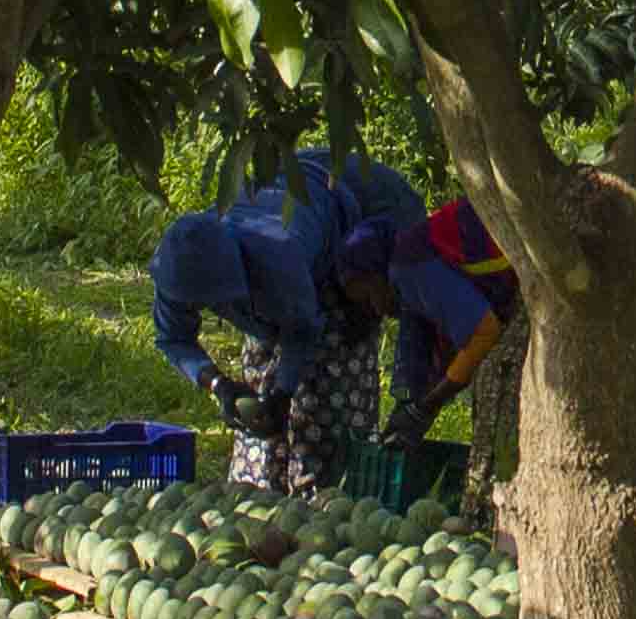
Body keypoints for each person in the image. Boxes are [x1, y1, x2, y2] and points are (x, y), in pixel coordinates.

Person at [151, 183, 369, 493]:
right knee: (259, 422)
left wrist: (284, 392)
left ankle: (319, 497)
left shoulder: (280, 255)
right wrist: (219, 385)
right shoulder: (177, 266)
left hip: (331, 260)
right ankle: (265, 496)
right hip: (264, 283)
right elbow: (173, 337)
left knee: (321, 410)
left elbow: (303, 331)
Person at [380, 194, 517, 460]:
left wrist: (424, 408)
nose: (379, 312)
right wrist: (421, 408)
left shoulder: (414, 269)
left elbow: (484, 333)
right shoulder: (420, 278)